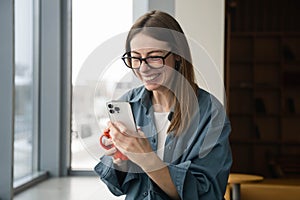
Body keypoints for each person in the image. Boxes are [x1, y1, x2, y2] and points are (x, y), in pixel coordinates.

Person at [94, 10, 232, 200]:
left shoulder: (210, 113)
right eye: (135, 57)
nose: (143, 67)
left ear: (177, 55)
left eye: (154, 56)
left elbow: (205, 194)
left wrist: (146, 158)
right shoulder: (127, 103)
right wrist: (120, 159)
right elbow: (118, 188)